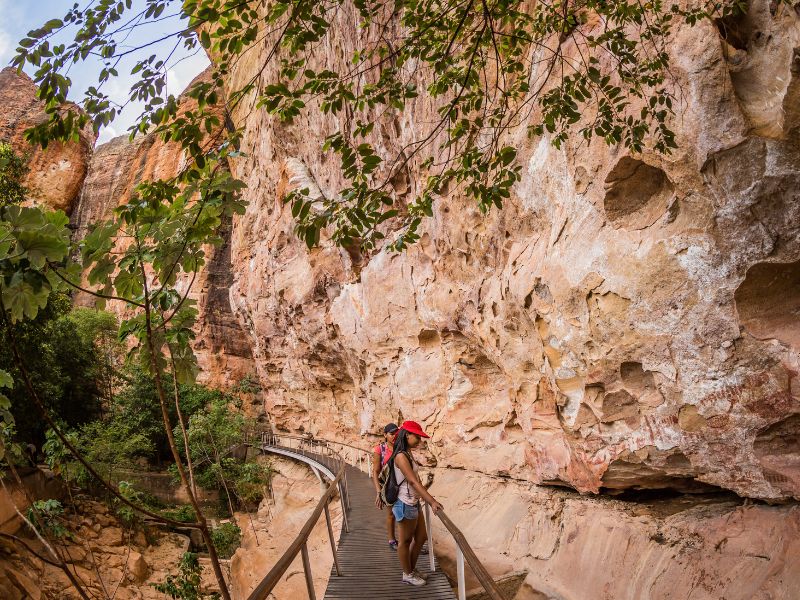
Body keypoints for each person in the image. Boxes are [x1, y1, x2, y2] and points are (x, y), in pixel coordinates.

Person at [391, 420, 443, 587]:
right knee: (405, 541)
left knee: (421, 537)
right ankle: (407, 574)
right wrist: (432, 501)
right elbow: (413, 482)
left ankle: (411, 570)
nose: (420, 441)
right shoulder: (400, 456)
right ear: (407, 435)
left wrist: (424, 497)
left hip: (413, 502)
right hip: (404, 503)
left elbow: (416, 480)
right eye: (418, 437)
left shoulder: (407, 453)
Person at [372, 422, 399, 549]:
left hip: (402, 484)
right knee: (391, 514)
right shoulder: (380, 449)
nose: (394, 436)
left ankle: (409, 540)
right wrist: (379, 492)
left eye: (396, 433)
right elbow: (375, 471)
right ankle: (392, 540)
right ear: (385, 435)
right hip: (389, 486)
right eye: (391, 434)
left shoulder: (401, 447)